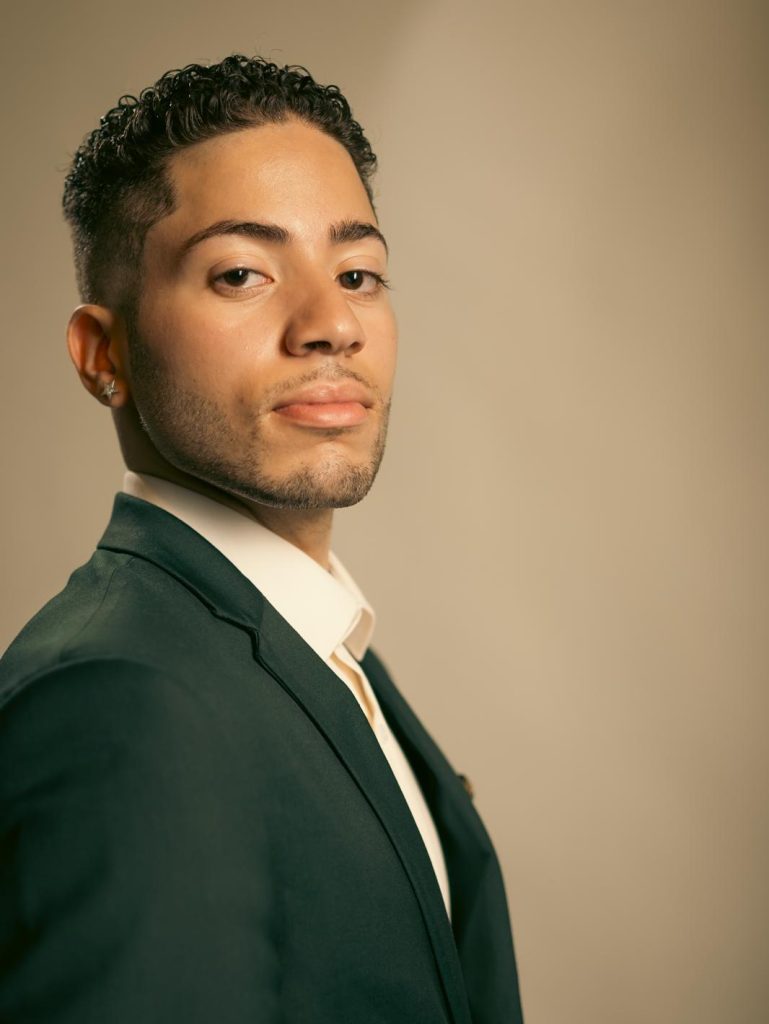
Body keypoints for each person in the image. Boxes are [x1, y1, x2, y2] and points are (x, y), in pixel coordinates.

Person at [0, 55, 524, 1023]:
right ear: (102, 353)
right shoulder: (123, 703)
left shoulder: (315, 643)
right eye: (241, 273)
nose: (331, 325)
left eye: (357, 274)